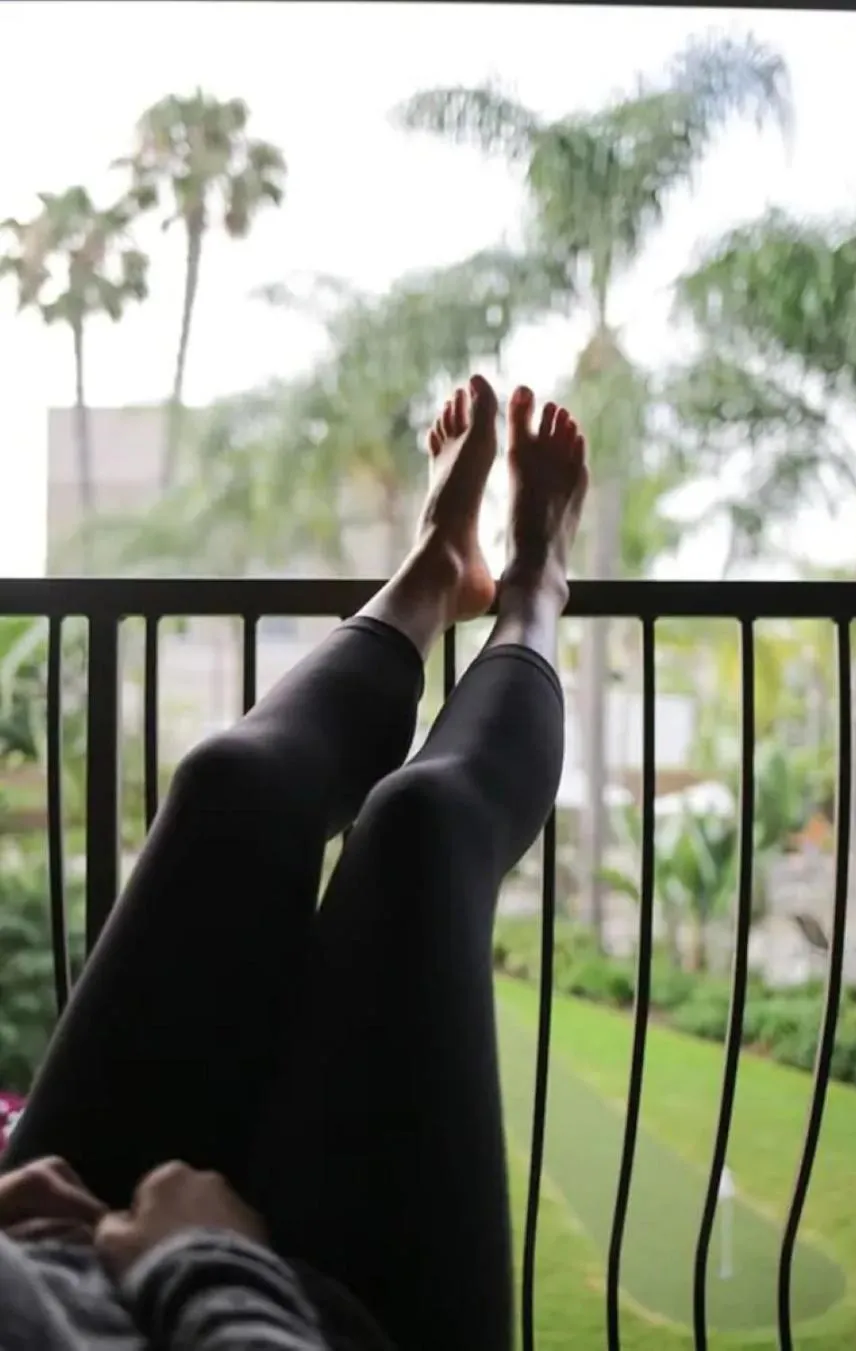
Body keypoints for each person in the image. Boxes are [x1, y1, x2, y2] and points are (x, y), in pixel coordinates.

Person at [0, 374, 588, 1351]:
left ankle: (437, 564)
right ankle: (534, 589)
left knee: (229, 781)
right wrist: (198, 1260)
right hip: (264, 1316)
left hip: (44, 1259)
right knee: (421, 825)